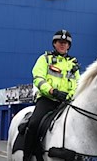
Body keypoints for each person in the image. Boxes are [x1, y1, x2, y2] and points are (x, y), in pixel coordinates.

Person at [23, 29, 81, 161]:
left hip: (66, 103)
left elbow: (78, 83)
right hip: (47, 100)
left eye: (66, 43)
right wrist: (51, 91)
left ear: (69, 46)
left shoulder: (74, 64)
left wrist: (69, 96)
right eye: (60, 42)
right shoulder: (45, 59)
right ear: (54, 43)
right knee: (34, 124)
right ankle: (27, 156)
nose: (63, 44)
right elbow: (38, 78)